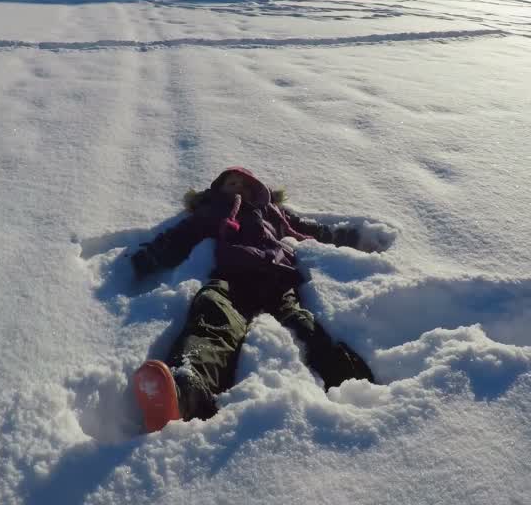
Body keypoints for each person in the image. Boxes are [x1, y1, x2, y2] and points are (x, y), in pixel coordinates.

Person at [131, 167, 378, 433]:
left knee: (301, 324)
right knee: (213, 312)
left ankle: (348, 379)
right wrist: (151, 256)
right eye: (230, 183)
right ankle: (186, 389)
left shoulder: (273, 212)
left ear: (254, 189)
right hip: (233, 277)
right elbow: (181, 235)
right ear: (218, 190)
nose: (237, 187)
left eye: (243, 183)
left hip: (277, 278)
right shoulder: (214, 211)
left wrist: (345, 237)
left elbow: (307, 229)